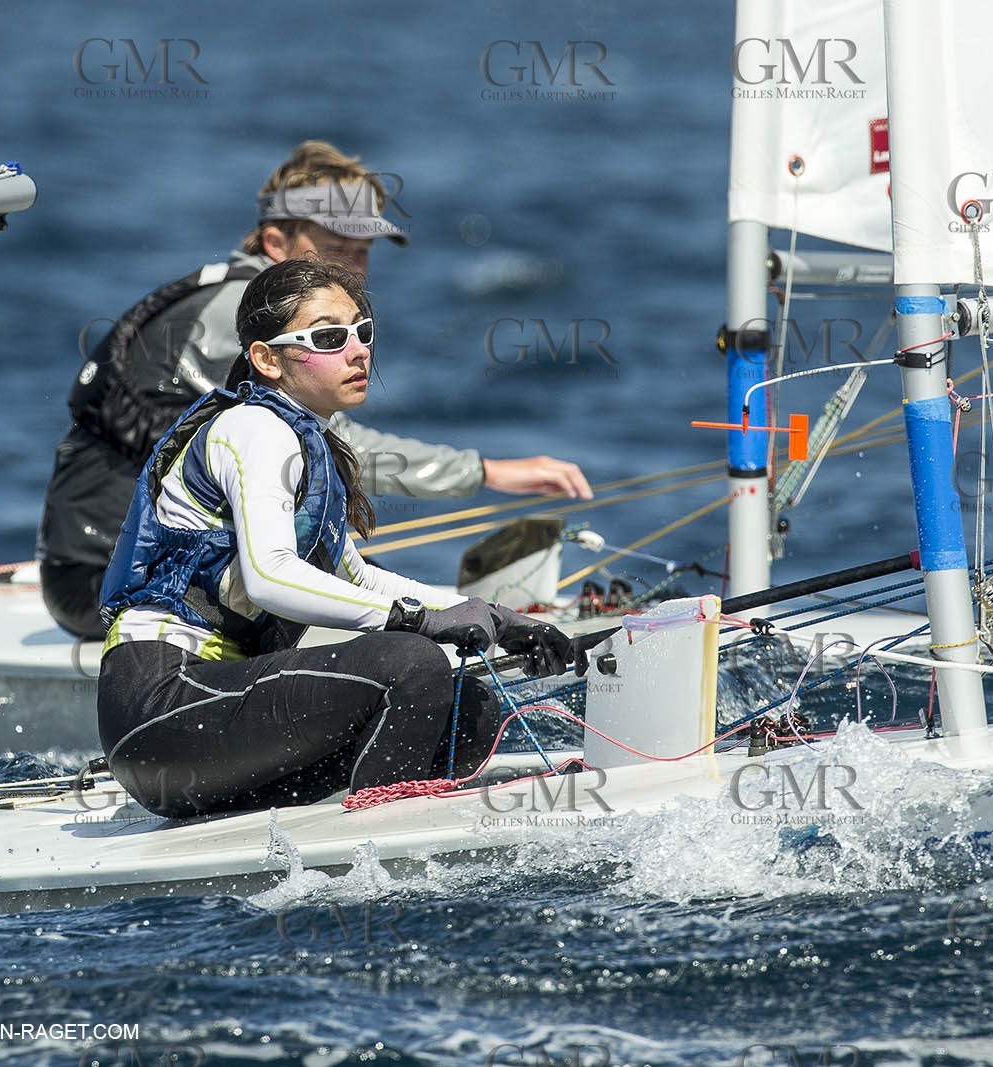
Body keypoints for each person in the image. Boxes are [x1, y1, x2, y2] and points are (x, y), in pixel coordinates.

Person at [40, 140, 592, 639]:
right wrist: (487, 472)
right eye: (337, 249)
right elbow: (338, 453)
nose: (357, 268)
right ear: (276, 241)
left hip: (182, 570)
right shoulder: (245, 315)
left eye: (365, 251)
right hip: (110, 583)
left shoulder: (266, 302)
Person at [96, 259, 585, 818]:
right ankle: (376, 842)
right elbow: (271, 577)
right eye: (329, 338)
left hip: (206, 713)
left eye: (363, 330)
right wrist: (415, 621)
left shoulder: (308, 441)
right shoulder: (253, 429)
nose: (358, 351)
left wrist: (493, 617)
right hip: (160, 707)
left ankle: (363, 818)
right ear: (266, 359)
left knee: (468, 711)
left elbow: (355, 578)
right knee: (411, 663)